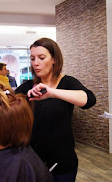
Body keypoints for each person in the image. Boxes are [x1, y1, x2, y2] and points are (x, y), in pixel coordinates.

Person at [15, 38, 96, 182]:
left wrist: (52, 92)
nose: (36, 63)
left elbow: (89, 100)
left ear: (54, 59)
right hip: (32, 161)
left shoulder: (68, 82)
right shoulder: (28, 87)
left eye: (41, 57)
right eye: (33, 58)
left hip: (62, 162)